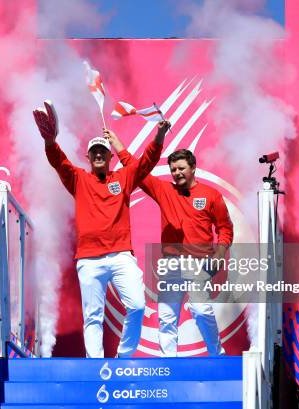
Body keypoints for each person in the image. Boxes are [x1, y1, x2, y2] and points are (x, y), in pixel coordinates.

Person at [32, 100, 170, 358]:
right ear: (88, 157)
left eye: (102, 152)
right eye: (94, 152)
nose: (98, 155)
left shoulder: (123, 177)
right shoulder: (79, 179)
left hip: (120, 256)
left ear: (109, 156)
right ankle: (96, 367)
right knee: (93, 317)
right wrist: (50, 141)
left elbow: (146, 163)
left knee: (137, 305)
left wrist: (159, 136)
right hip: (89, 260)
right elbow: (58, 161)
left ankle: (124, 357)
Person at [119, 147, 233, 356]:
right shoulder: (164, 190)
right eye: (173, 169)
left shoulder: (211, 195)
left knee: (200, 310)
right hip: (170, 263)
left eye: (181, 168)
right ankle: (168, 364)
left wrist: (219, 254)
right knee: (166, 317)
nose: (177, 173)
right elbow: (137, 169)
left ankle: (217, 355)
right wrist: (118, 147)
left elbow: (225, 227)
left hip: (199, 263)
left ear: (193, 168)